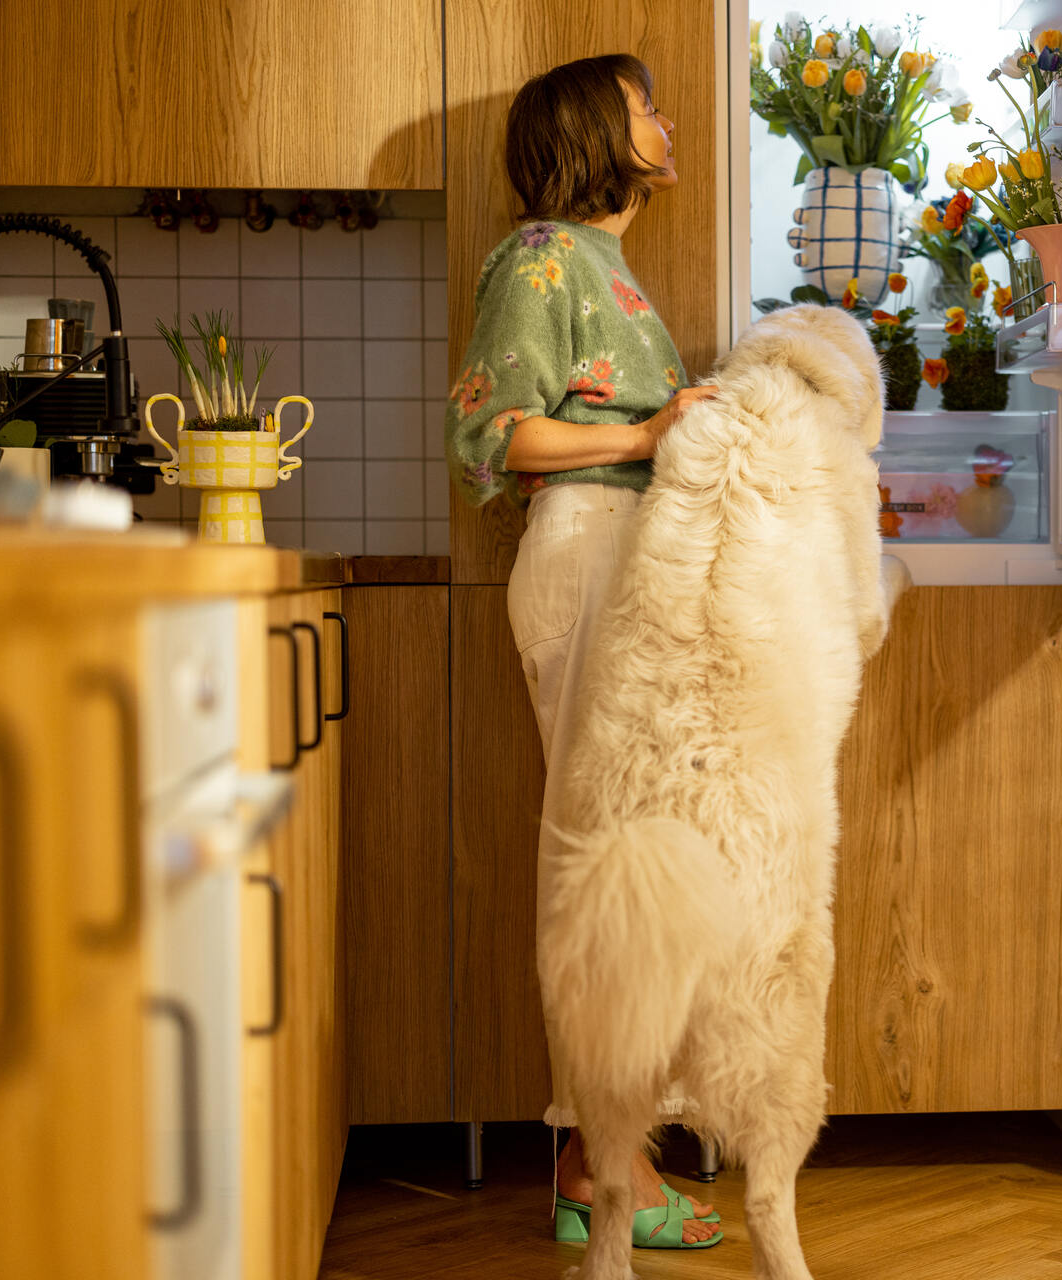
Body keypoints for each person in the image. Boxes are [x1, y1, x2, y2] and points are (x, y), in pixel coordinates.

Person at [445, 54, 722, 1248]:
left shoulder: (607, 267)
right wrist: (660, 429)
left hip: (631, 556)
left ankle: (611, 1157)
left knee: (635, 856)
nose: (666, 121)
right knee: (600, 860)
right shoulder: (542, 256)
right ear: (595, 132)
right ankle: (592, 1164)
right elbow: (489, 434)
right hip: (588, 553)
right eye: (646, 105)